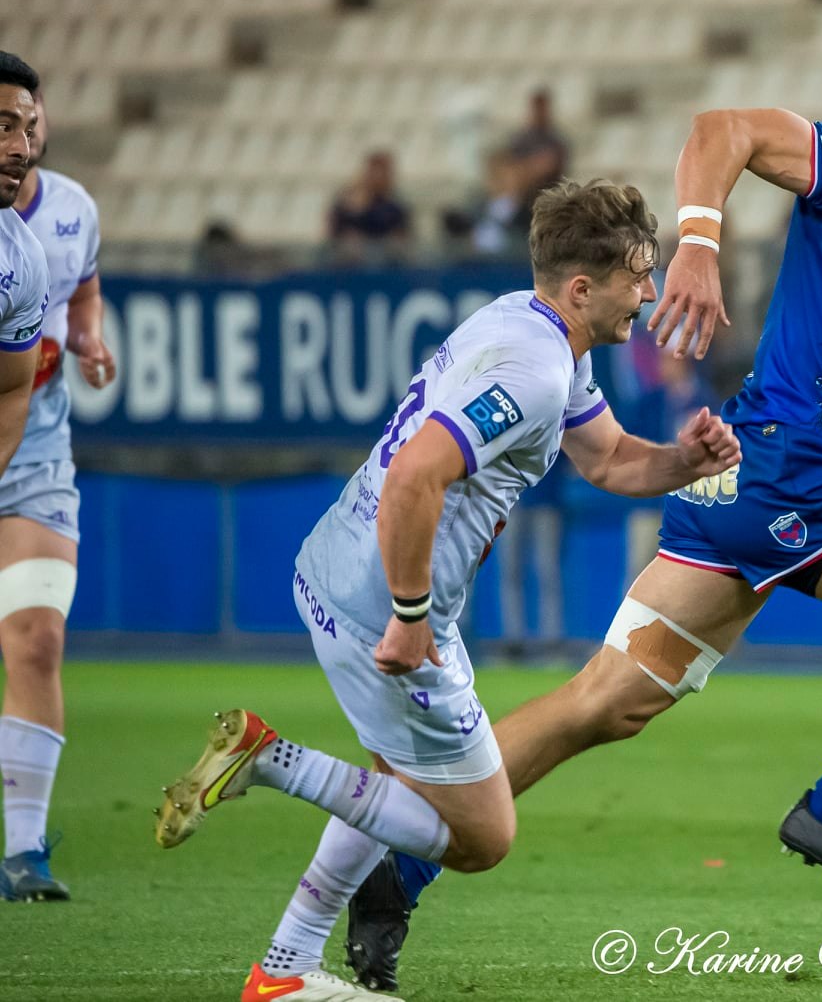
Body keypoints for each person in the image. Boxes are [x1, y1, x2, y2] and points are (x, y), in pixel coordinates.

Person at [342, 54, 822, 993]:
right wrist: (701, 243)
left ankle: (396, 864)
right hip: (794, 473)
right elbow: (726, 128)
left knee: (606, 703)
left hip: (743, 481)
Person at [152, 179, 743, 1001]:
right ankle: (269, 762)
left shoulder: (531, 328)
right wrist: (408, 616)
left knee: (391, 779)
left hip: (335, 566)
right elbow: (418, 476)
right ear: (582, 288)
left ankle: (284, 969)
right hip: (382, 604)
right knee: (481, 837)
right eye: (639, 276)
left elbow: (607, 459)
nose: (649, 294)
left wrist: (686, 461)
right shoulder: (537, 369)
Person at [0, 54, 61, 904]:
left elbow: (11, 389)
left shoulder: (23, 259)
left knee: (36, 638)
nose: (19, 146)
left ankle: (24, 851)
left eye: (24, 126)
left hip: (35, 465)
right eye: (1, 129)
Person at [328, 151, 413, 268]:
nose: (378, 177)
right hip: (352, 261)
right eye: (374, 172)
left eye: (383, 172)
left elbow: (402, 232)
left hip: (386, 260)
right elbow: (337, 229)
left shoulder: (395, 205)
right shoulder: (348, 200)